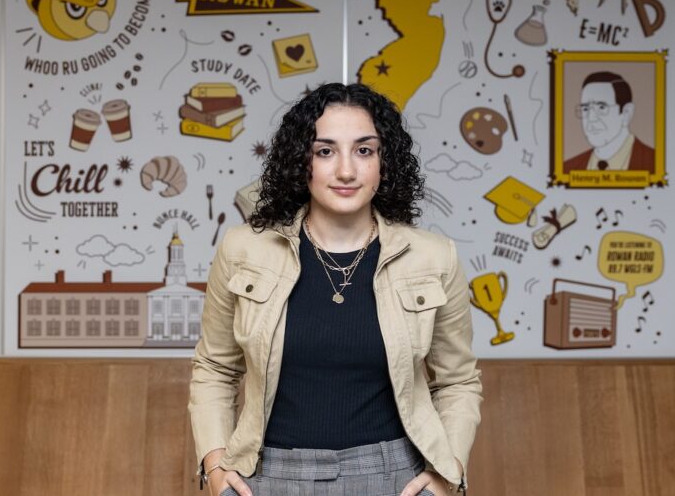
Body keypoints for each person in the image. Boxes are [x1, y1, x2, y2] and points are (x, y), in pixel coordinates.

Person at [189, 83, 482, 496]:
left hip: (394, 477)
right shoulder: (242, 250)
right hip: (265, 476)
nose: (346, 171)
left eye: (364, 150)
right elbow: (215, 369)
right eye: (325, 151)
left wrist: (447, 473)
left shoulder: (434, 257)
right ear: (301, 160)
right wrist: (215, 465)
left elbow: (457, 381)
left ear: (384, 161)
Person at [563, 71, 655, 172]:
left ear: (626, 113)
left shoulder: (656, 163)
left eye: (601, 107)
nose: (591, 118)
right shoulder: (567, 168)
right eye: (585, 109)